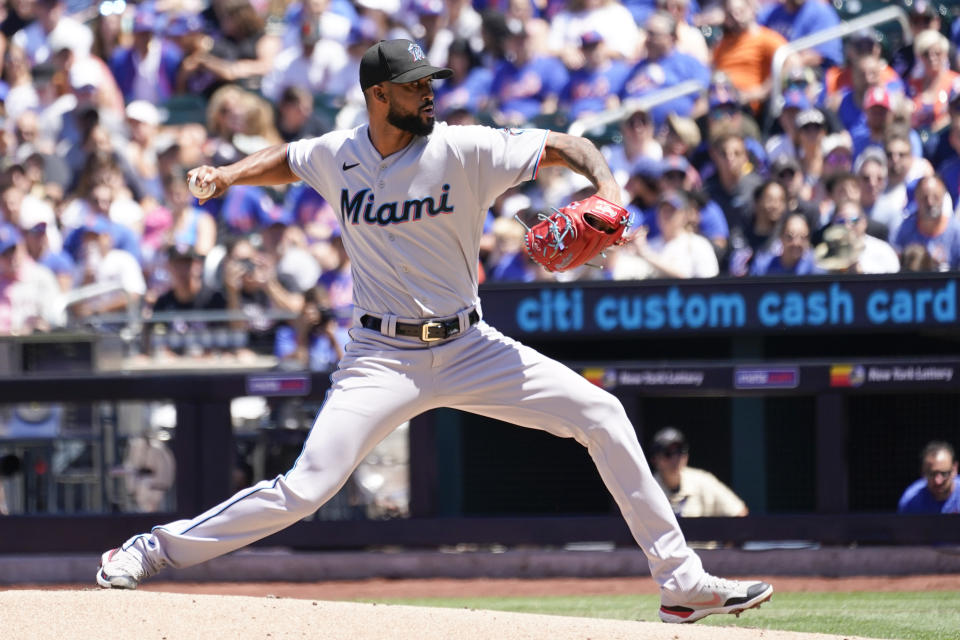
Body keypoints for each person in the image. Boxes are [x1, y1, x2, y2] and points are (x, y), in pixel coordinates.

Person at [95, 37, 773, 625]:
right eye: (416, 87)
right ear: (378, 94)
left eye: (431, 84)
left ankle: (681, 584)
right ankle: (154, 548)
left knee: (600, 412)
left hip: (469, 345)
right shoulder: (341, 154)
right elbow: (289, 159)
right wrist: (225, 174)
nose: (429, 96)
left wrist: (608, 190)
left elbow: (570, 143)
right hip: (378, 357)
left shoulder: (465, 148)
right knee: (306, 487)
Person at [650, 427, 748, 518]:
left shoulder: (702, 480)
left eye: (680, 451)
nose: (675, 458)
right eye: (668, 453)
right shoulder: (648, 488)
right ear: (655, 459)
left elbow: (739, 512)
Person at [898, 441, 960, 514]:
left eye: (944, 473)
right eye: (932, 474)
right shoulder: (910, 501)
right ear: (922, 472)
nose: (938, 481)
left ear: (954, 469)